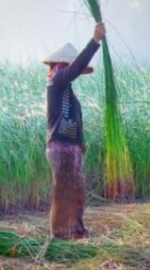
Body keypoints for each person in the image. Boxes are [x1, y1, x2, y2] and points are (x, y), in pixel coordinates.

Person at [43, 22, 105, 239]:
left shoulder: (66, 89)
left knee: (77, 191)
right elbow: (76, 67)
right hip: (60, 146)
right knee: (64, 192)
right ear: (60, 65)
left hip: (72, 148)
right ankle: (59, 236)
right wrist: (95, 41)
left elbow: (76, 122)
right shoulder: (56, 80)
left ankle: (76, 232)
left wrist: (81, 145)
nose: (69, 70)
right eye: (67, 66)